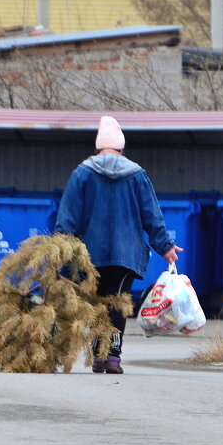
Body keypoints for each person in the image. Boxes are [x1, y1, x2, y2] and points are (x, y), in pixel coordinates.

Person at [54, 115, 182, 374]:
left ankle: (99, 356)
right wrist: (165, 246)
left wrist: (59, 248)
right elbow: (152, 215)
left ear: (98, 147)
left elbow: (67, 215)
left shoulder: (82, 173)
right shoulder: (137, 175)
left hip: (89, 252)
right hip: (127, 253)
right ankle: (111, 357)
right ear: (122, 148)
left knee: (95, 300)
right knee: (117, 301)